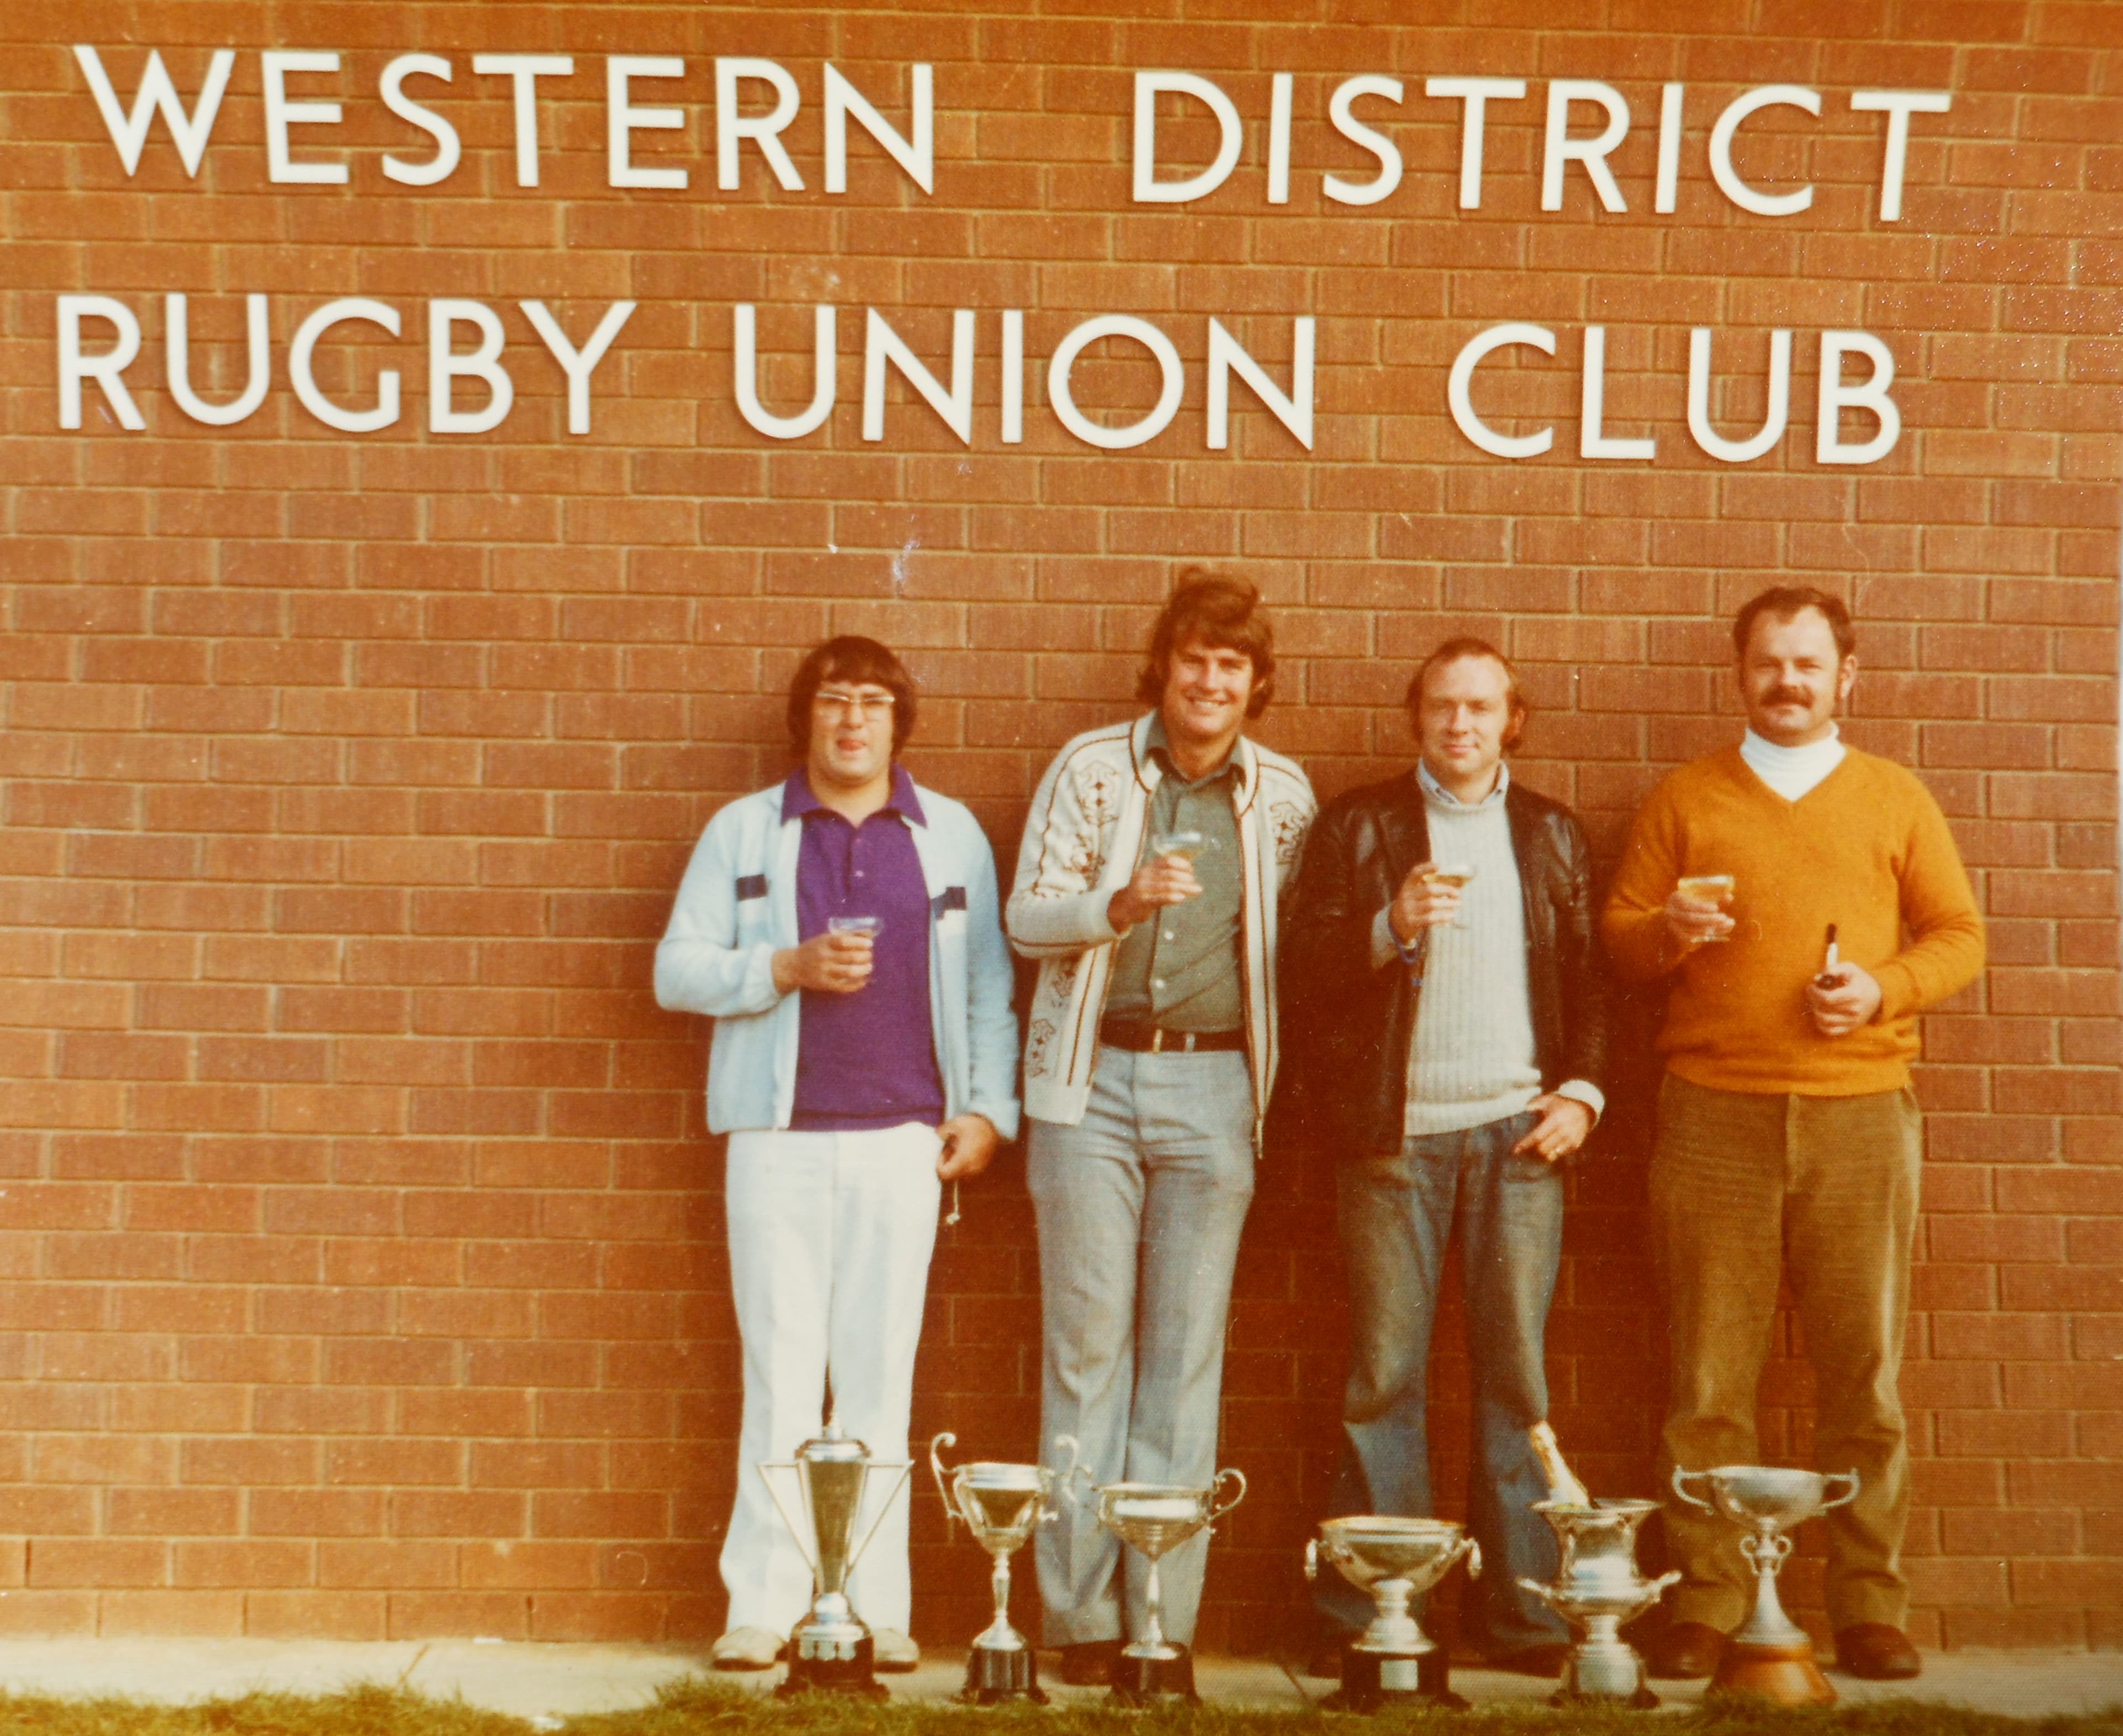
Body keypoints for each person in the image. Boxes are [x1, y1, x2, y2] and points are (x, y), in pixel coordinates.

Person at [1602, 587, 1984, 1684]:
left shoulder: (1894, 797)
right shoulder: (1688, 797)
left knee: (1863, 1375)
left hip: (1860, 1113)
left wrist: (1880, 989)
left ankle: (1868, 1604)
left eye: (1809, 664)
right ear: (1741, 673)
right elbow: (1620, 939)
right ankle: (1710, 1600)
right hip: (1712, 1112)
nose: (1789, 681)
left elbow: (1960, 934)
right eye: (1770, 662)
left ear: (1846, 675)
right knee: (1707, 1376)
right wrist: (1668, 932)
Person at [655, 636, 1019, 1673]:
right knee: (778, 1375)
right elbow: (676, 969)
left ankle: (871, 1604)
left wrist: (988, 1112)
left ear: (899, 723)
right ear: (804, 718)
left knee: (878, 1382)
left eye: (872, 703)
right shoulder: (744, 829)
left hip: (903, 1140)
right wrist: (784, 967)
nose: (852, 720)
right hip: (776, 1138)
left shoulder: (947, 833)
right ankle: (766, 1607)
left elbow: (989, 986)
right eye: (832, 701)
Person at [1007, 571, 1315, 1687]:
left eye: (1233, 665)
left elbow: (1301, 950)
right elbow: (1025, 917)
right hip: (1089, 1084)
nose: (1211, 681)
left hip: (1216, 1087)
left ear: (1256, 683)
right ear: (1164, 667)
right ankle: (1080, 1618)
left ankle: (1157, 1620)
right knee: (1087, 1349)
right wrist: (1119, 905)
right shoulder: (1092, 767)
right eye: (1195, 659)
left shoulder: (1283, 795)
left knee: (1184, 1357)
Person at [1279, 639, 1609, 1677]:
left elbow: (1591, 983)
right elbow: (1303, 971)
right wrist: (1391, 923)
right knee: (1385, 1377)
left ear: (1513, 719)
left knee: (1515, 1378)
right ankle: (1379, 1617)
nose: (1459, 724)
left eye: (1480, 707)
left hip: (1519, 1137)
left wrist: (1583, 1095)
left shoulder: (1551, 832)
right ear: (1415, 716)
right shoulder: (1360, 824)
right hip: (1396, 1137)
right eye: (1440, 706)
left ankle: (1525, 1617)